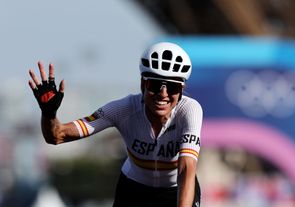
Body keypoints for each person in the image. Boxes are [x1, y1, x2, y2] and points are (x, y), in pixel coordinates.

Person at [28, 42, 203, 207]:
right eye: (155, 85)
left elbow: (186, 169)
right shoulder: (123, 109)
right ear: (143, 83)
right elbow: (57, 136)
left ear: (181, 90)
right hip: (135, 189)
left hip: (174, 190)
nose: (163, 94)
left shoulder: (189, 110)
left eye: (172, 87)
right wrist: (49, 113)